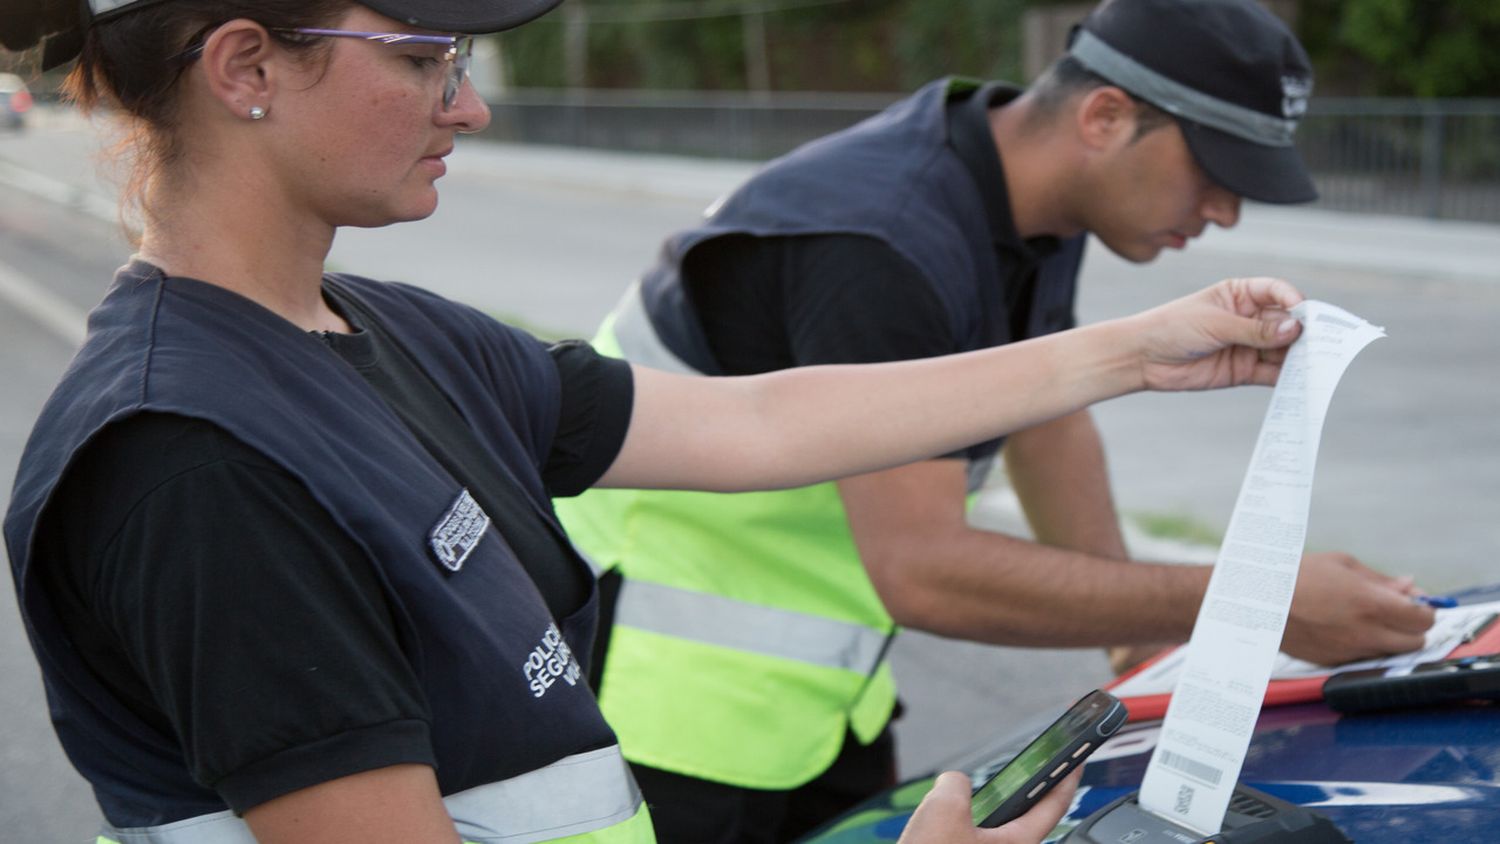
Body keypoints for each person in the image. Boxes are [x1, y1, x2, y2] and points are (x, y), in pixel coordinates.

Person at [5, 1, 1322, 842]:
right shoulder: (189, 459)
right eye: (420, 59)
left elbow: (754, 427)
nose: (465, 105)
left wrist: (1141, 352)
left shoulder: (393, 330)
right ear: (246, 65)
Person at [552, 0, 1438, 839]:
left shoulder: (1017, 199)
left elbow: (1047, 421)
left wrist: (1134, 636)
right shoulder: (881, 242)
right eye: (1215, 171)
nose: (1226, 211)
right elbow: (925, 568)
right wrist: (1250, 605)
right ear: (1103, 118)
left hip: (814, 700)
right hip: (661, 712)